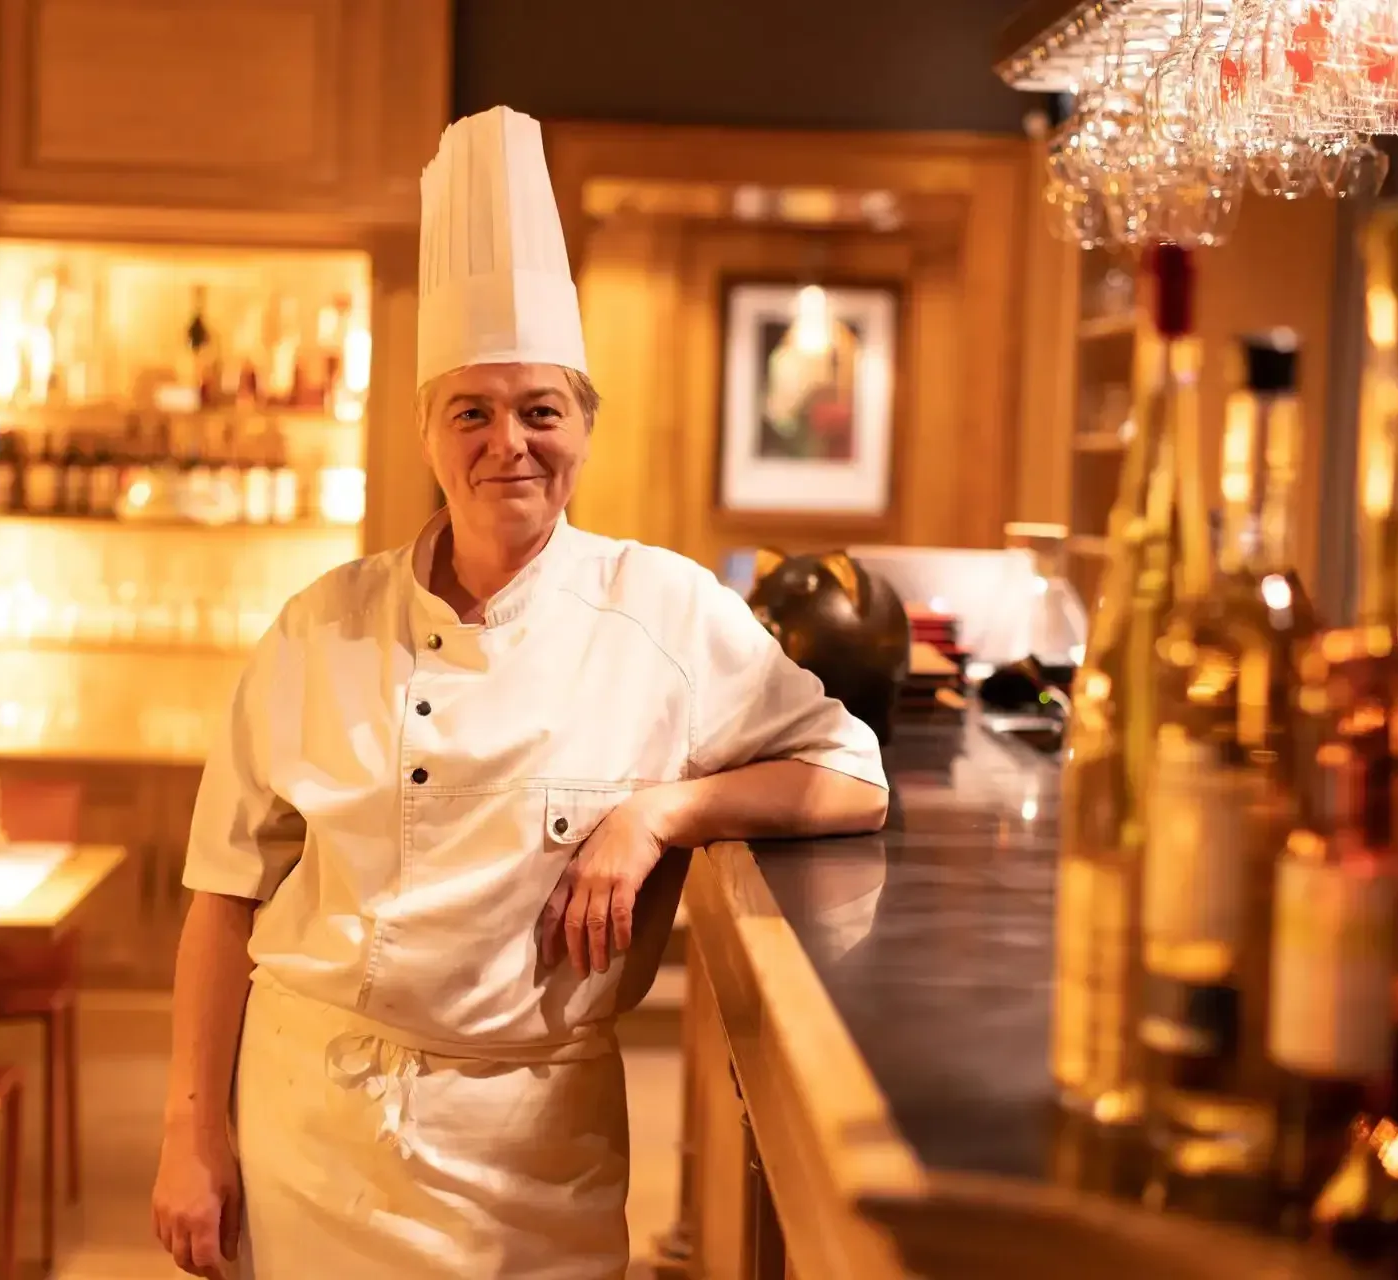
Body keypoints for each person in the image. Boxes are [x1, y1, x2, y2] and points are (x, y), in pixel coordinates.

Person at [151, 105, 889, 1280]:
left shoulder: (661, 610)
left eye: (541, 408)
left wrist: (660, 812)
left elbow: (851, 776)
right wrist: (193, 1130)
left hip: (535, 1155)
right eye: (474, 412)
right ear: (430, 436)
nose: (512, 443)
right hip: (314, 1130)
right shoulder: (317, 628)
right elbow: (221, 895)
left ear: (584, 428)